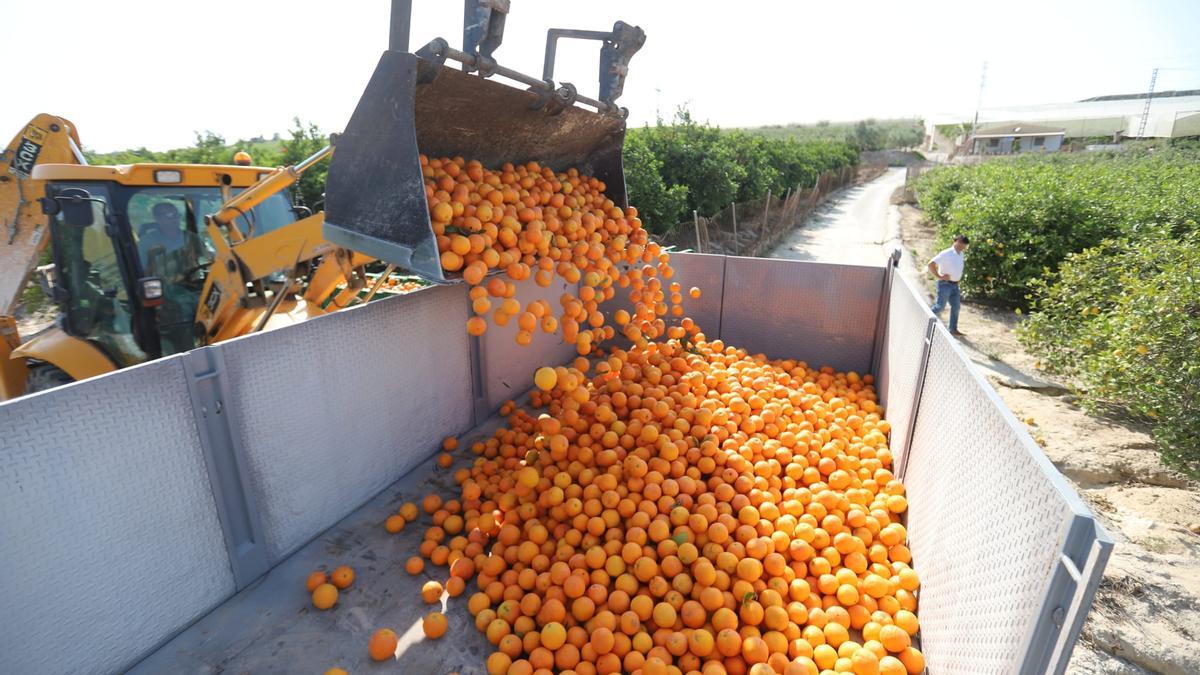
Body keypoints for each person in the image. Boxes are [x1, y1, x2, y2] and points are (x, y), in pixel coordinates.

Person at [928, 234, 969, 337]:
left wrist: (957, 279)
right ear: (955, 241)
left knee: (956, 307)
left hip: (955, 286)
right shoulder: (946, 253)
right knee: (940, 307)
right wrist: (939, 276)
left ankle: (953, 329)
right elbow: (931, 264)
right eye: (960, 242)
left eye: (963, 244)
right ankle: (923, 316)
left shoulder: (961, 254)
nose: (961, 245)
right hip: (945, 284)